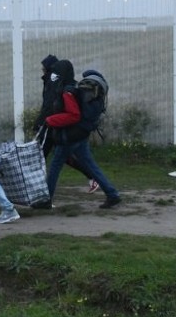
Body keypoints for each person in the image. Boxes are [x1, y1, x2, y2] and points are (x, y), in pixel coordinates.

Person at [42, 59, 122, 209]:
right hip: (81, 133)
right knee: (90, 165)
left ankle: (46, 199)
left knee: (55, 164)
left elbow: (74, 115)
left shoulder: (67, 91)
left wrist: (51, 120)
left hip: (71, 135)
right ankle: (112, 194)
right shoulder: (75, 87)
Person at [35, 54, 99, 194]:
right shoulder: (52, 83)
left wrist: (43, 122)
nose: (42, 70)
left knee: (46, 157)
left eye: (43, 68)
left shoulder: (61, 86)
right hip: (53, 125)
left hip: (55, 125)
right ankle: (93, 177)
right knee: (62, 157)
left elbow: (52, 106)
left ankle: (40, 190)